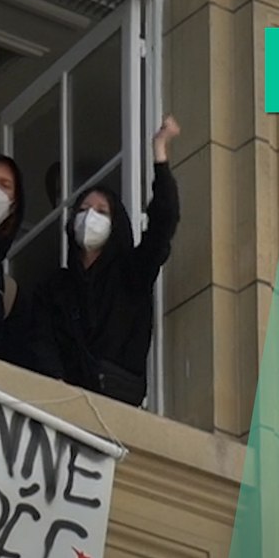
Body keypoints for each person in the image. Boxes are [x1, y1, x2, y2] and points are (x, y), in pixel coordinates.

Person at [31, 115, 182, 406]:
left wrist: (159, 151)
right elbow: (41, 344)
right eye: (83, 209)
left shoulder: (132, 273)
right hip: (65, 409)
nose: (90, 217)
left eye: (101, 211)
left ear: (116, 224)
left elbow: (165, 221)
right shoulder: (54, 289)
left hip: (118, 406)